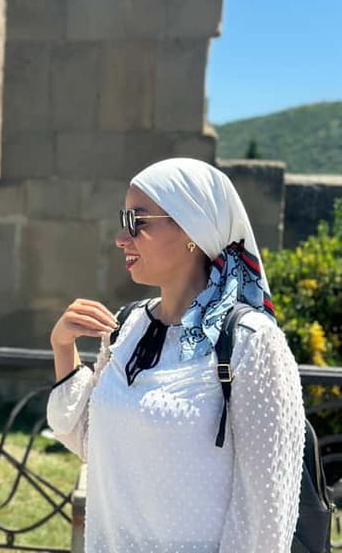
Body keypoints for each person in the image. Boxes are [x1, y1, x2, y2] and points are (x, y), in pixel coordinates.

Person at [47, 158, 304, 552]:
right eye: (123, 219)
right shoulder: (128, 327)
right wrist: (63, 347)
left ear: (192, 229)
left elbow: (265, 511)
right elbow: (92, 442)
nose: (121, 237)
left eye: (139, 221)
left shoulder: (253, 343)